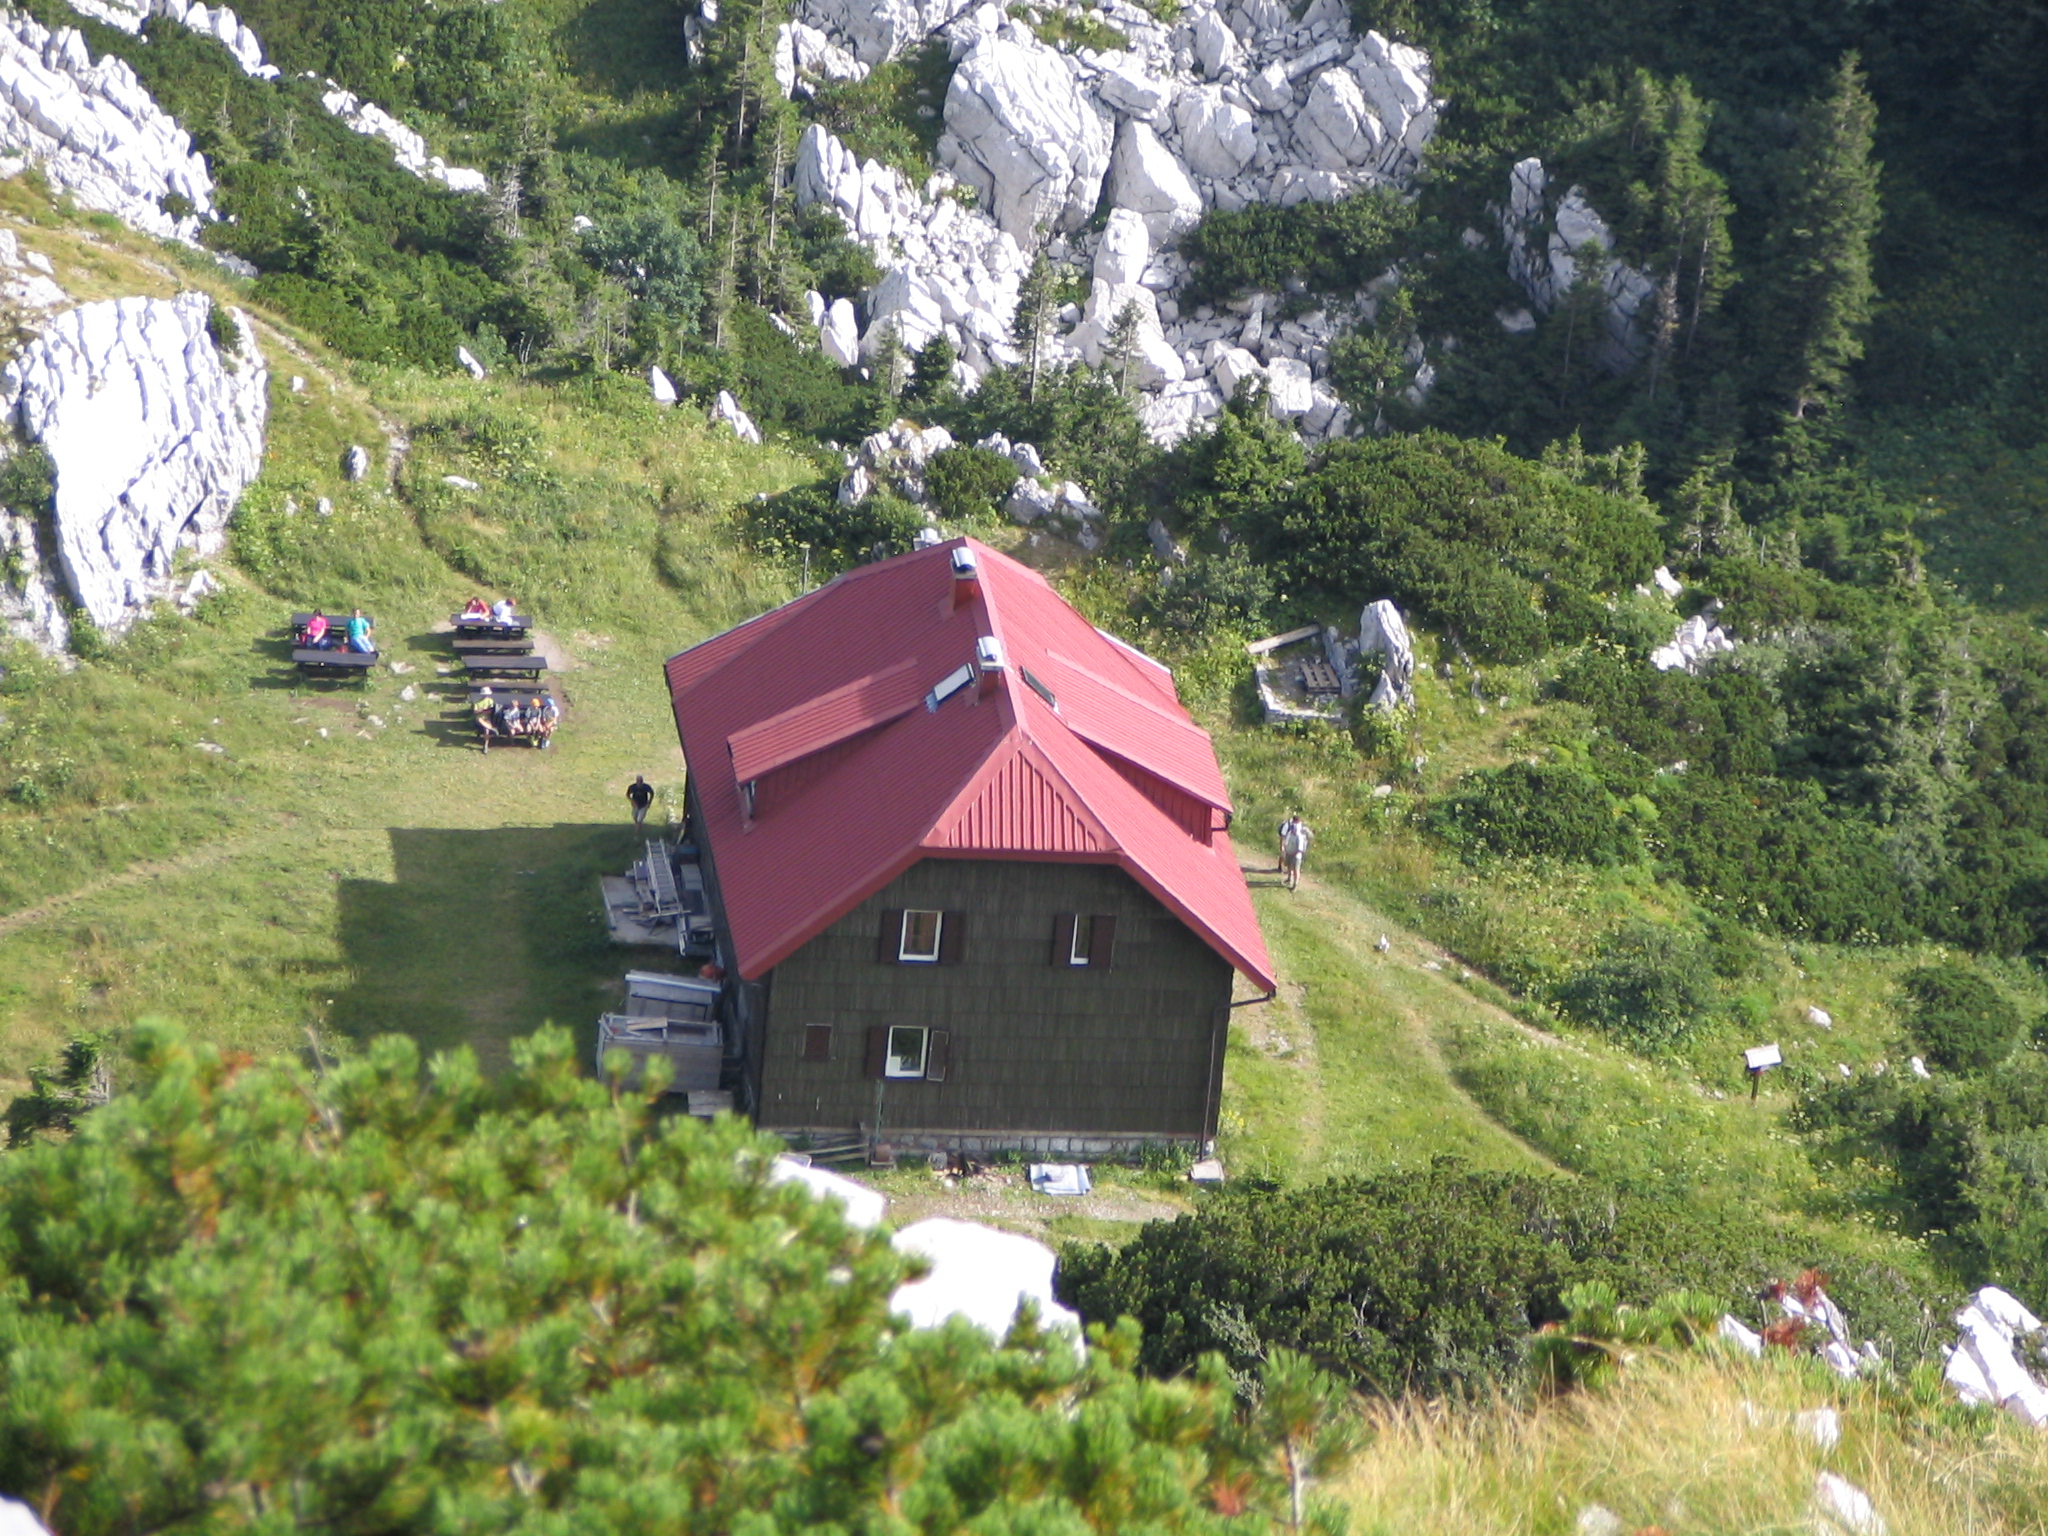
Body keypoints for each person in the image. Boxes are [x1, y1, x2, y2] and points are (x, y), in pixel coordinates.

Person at [1278, 812, 1312, 891]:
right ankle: (1289, 879)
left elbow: (1299, 850)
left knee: (1296, 870)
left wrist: (1292, 853)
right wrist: (1285, 848)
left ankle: (1295, 885)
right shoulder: (1290, 833)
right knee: (1289, 867)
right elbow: (1286, 841)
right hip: (1289, 853)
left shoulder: (1299, 837)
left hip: (1296, 856)